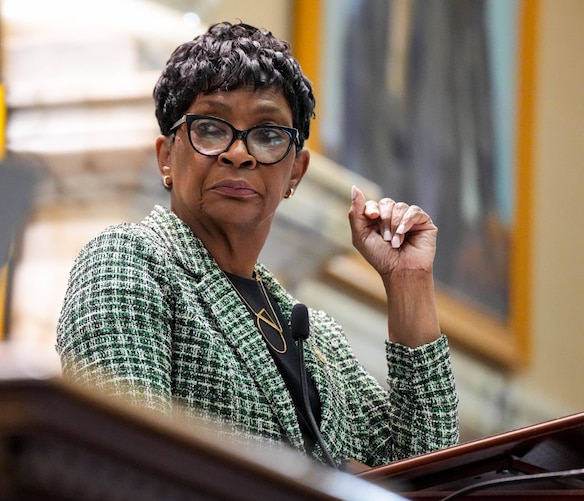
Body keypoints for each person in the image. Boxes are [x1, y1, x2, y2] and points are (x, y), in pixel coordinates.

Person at [56, 21, 458, 468]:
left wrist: (409, 280)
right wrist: (327, 485)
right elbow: (129, 467)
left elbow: (431, 476)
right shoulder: (128, 261)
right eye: (212, 128)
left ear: (294, 173)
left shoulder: (320, 340)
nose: (239, 153)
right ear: (166, 157)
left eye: (268, 135)